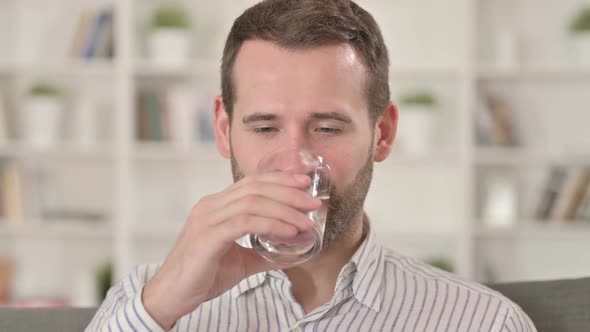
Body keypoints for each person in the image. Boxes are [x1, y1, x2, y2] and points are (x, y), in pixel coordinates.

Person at [87, 0, 536, 331]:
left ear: (383, 134)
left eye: (327, 128)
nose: (297, 168)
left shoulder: (482, 321)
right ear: (224, 129)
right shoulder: (148, 300)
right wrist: (162, 305)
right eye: (265, 128)